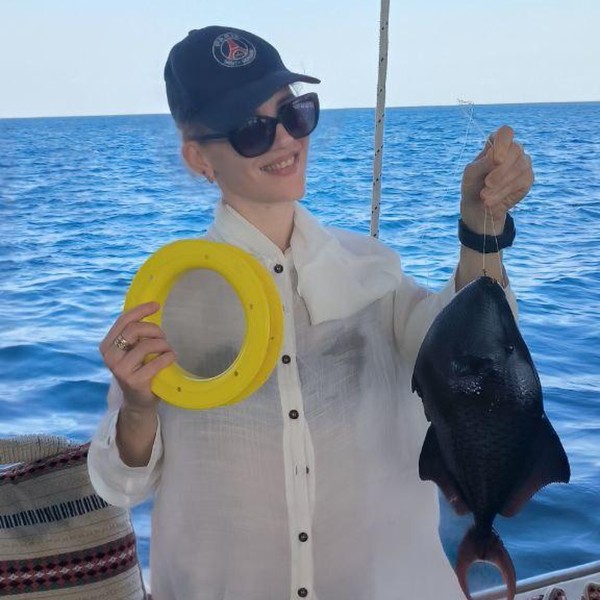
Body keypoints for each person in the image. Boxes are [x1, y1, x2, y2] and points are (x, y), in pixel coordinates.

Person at [88, 25, 534, 600]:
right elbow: (121, 483)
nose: (283, 139)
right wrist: (137, 405)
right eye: (251, 129)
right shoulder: (170, 299)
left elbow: (474, 361)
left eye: (293, 113)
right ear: (198, 157)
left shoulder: (373, 272)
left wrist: (480, 225)